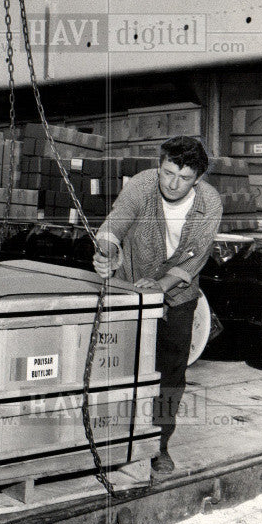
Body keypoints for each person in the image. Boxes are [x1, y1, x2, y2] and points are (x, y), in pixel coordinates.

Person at [92, 136, 222, 474]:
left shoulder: (210, 202)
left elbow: (197, 255)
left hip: (178, 298)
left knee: (169, 375)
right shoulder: (141, 185)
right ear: (159, 165)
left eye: (184, 178)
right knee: (122, 366)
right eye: (167, 173)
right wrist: (104, 254)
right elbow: (114, 225)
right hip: (130, 288)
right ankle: (113, 438)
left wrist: (161, 286)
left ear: (198, 178)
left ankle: (159, 444)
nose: (173, 184)